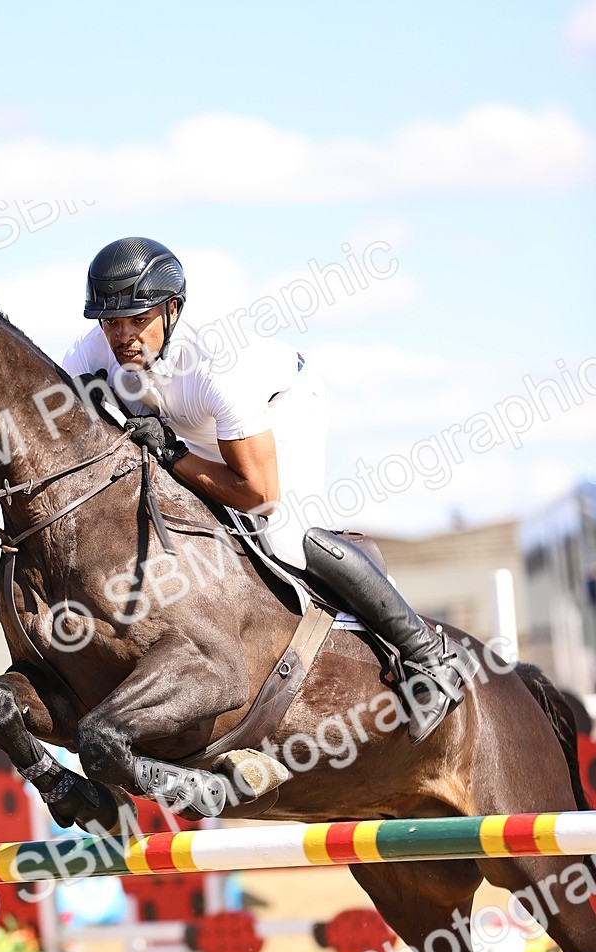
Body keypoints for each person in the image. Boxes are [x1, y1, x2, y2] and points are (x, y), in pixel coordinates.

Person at [63, 237, 475, 743]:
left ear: (172, 309)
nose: (122, 336)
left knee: (284, 535)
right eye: (110, 322)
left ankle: (428, 655)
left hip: (282, 408)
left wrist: (173, 455)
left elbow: (259, 494)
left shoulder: (217, 360)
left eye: (137, 319)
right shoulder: (94, 350)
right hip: (196, 426)